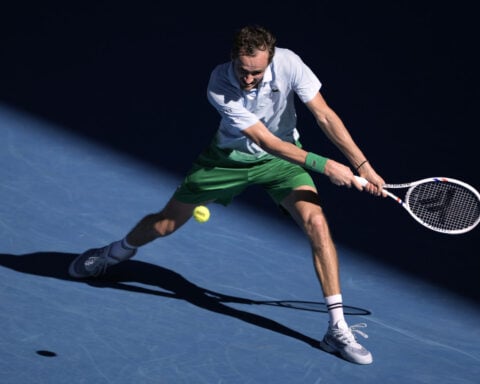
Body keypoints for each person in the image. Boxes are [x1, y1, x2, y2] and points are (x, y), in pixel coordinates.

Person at [69, 25, 385, 365]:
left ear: (272, 60)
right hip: (227, 162)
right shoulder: (219, 83)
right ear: (232, 59)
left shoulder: (290, 64)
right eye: (243, 71)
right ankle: (114, 253)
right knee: (165, 224)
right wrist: (326, 166)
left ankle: (336, 330)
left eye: (257, 73)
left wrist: (362, 164)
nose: (248, 79)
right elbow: (265, 140)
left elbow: (323, 114)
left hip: (281, 163)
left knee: (317, 224)